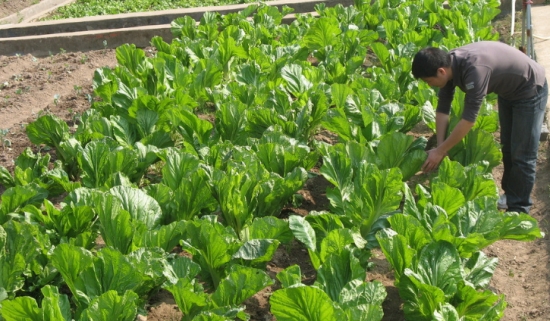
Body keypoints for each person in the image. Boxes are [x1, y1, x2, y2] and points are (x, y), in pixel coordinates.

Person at [411, 41, 547, 214]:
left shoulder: (474, 70)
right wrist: (440, 148)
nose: (429, 85)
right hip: (508, 92)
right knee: (508, 148)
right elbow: (443, 108)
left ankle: (519, 208)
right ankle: (511, 195)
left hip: (531, 89)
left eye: (429, 81)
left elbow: (468, 120)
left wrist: (439, 151)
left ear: (441, 71)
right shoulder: (449, 64)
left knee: (522, 154)